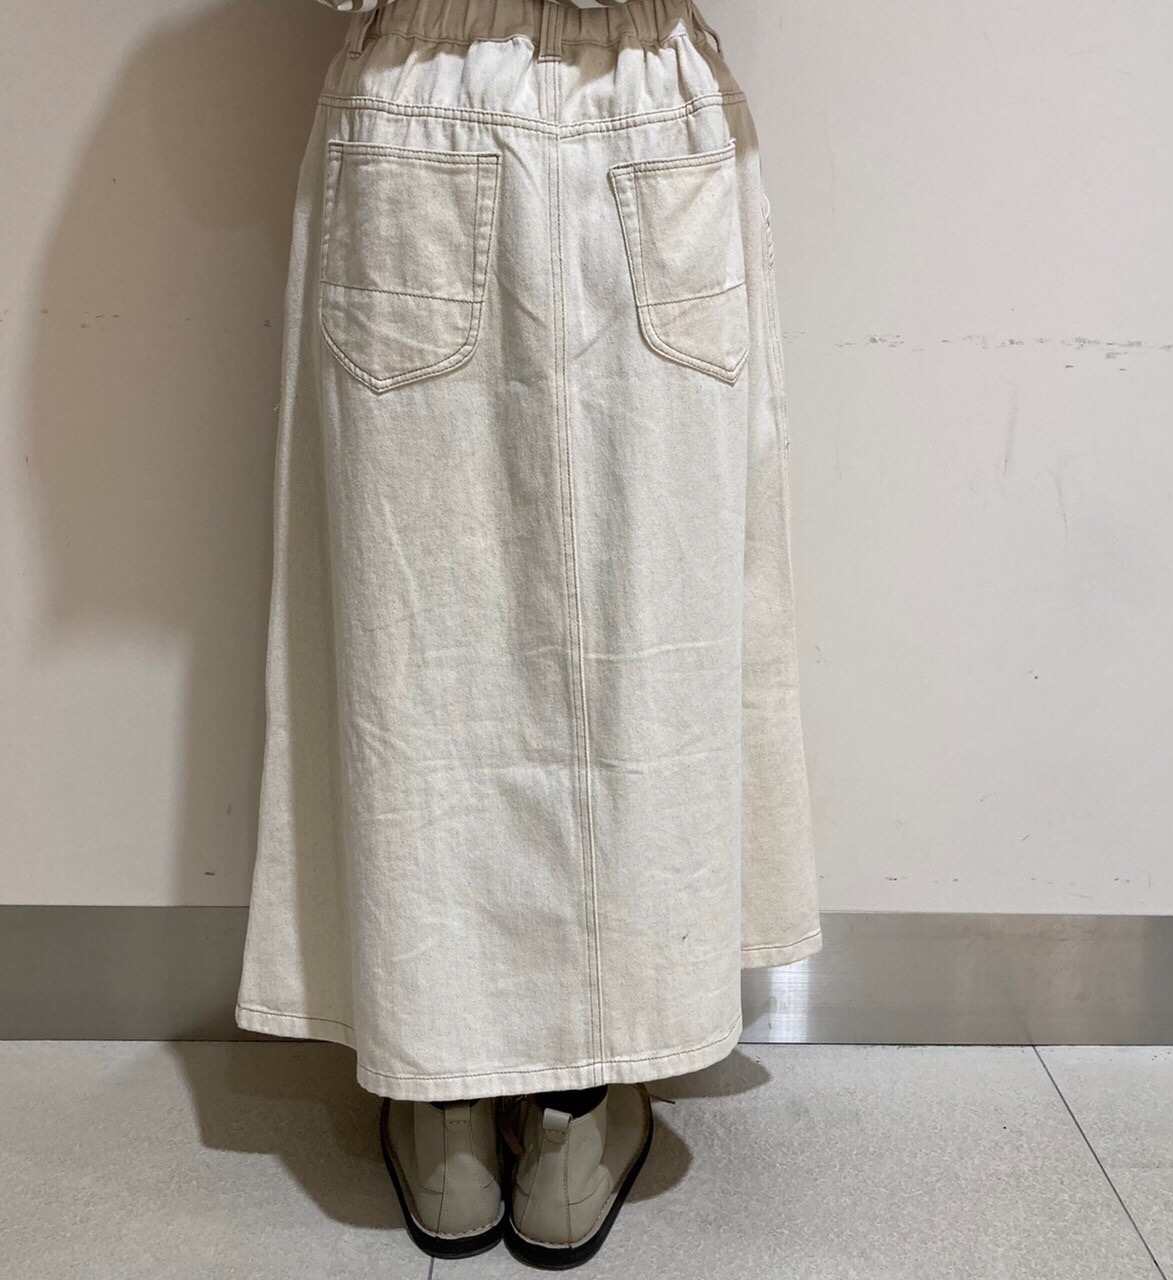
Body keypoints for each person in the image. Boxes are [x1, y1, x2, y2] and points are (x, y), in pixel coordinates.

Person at [234, 0, 821, 1266]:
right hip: (650, 107)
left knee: (413, 642)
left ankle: (439, 1094)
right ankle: (576, 1109)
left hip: (419, 104)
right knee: (651, 626)